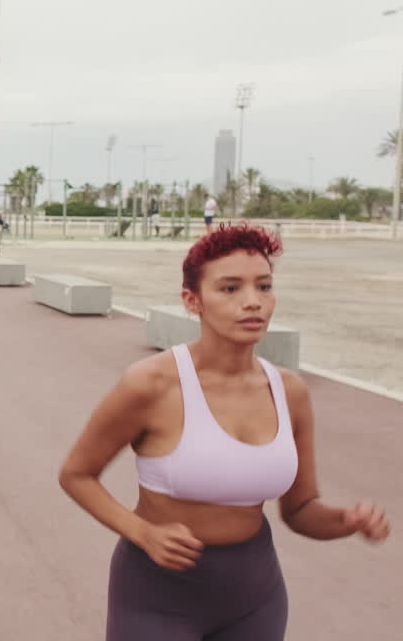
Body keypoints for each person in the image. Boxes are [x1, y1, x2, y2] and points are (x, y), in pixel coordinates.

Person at [59, 224, 390, 641]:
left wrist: (346, 521)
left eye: (264, 286)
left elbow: (301, 509)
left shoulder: (289, 392)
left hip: (254, 596)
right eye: (230, 289)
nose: (253, 302)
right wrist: (142, 532)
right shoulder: (151, 385)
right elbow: (76, 474)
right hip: (156, 594)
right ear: (192, 300)